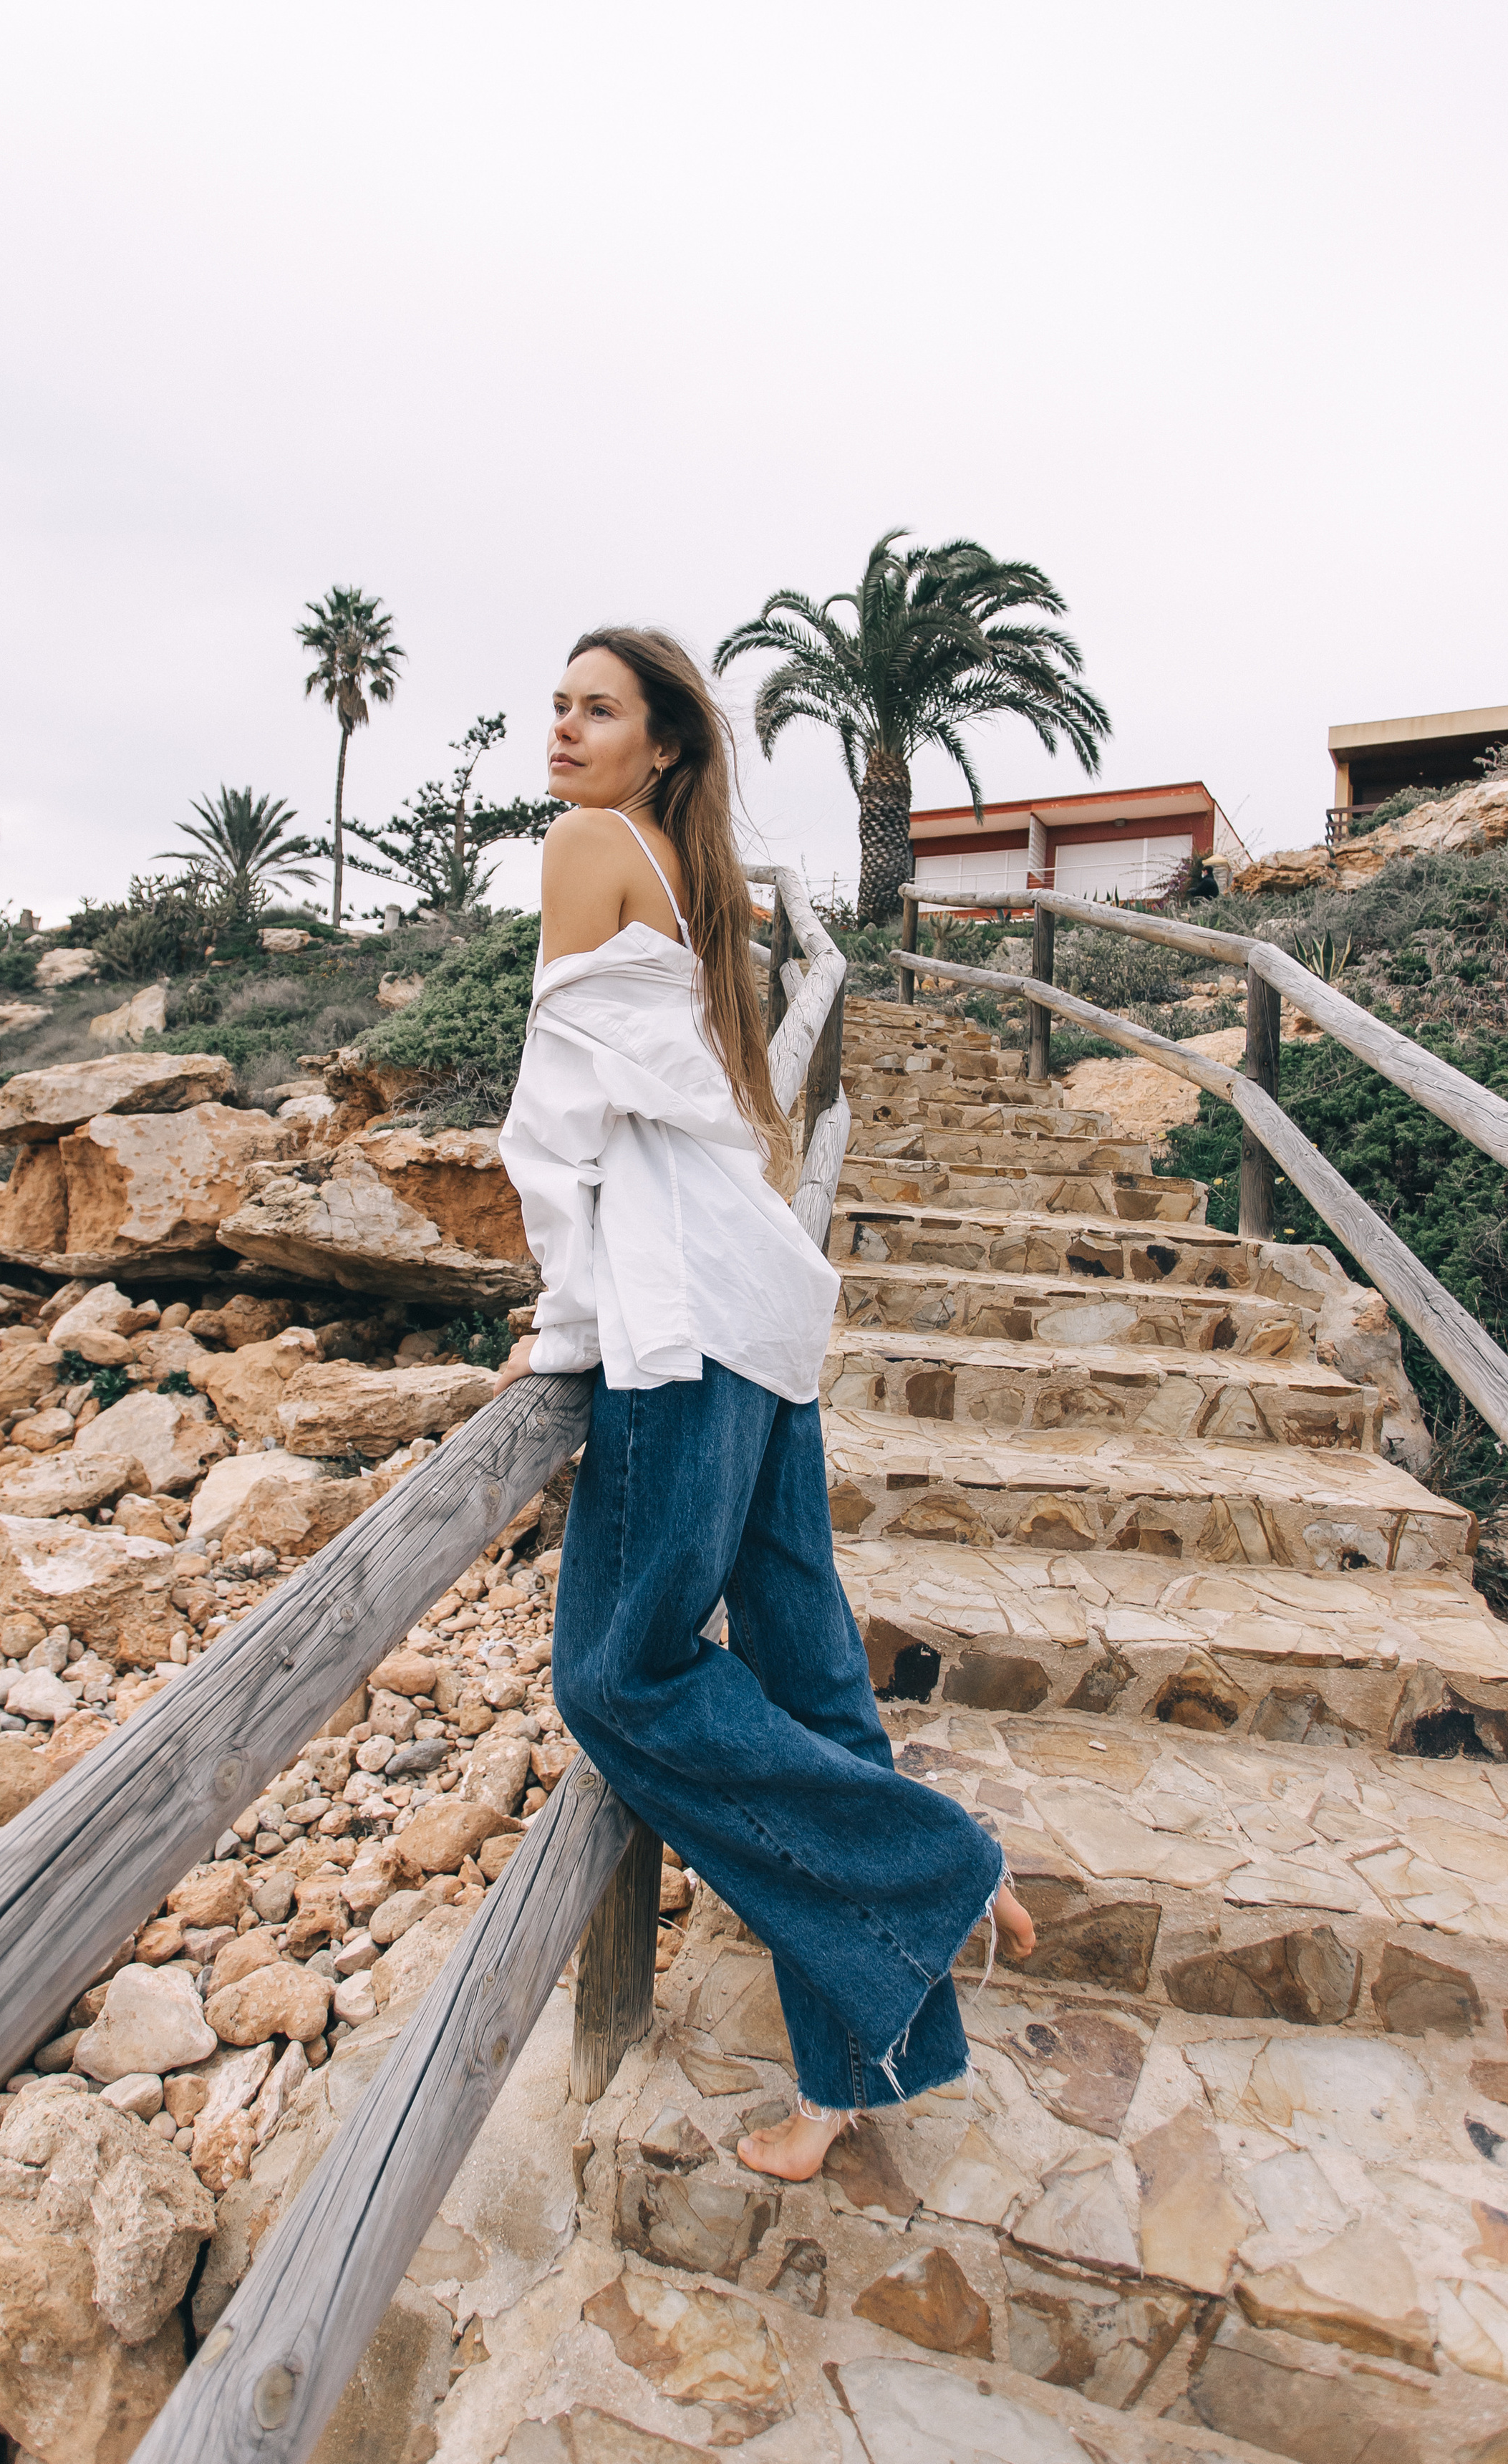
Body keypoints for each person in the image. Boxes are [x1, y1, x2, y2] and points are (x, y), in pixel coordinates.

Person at [494, 627, 1033, 2183]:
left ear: (658, 742)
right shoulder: (675, 864)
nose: (563, 729)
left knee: (620, 1678)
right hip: (765, 1306)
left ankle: (934, 1862)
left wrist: (555, 1326)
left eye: (596, 709)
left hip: (679, 1314)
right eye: (557, 706)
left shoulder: (587, 845)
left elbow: (559, 1120)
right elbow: (712, 1107)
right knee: (802, 1679)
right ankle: (850, 2073)